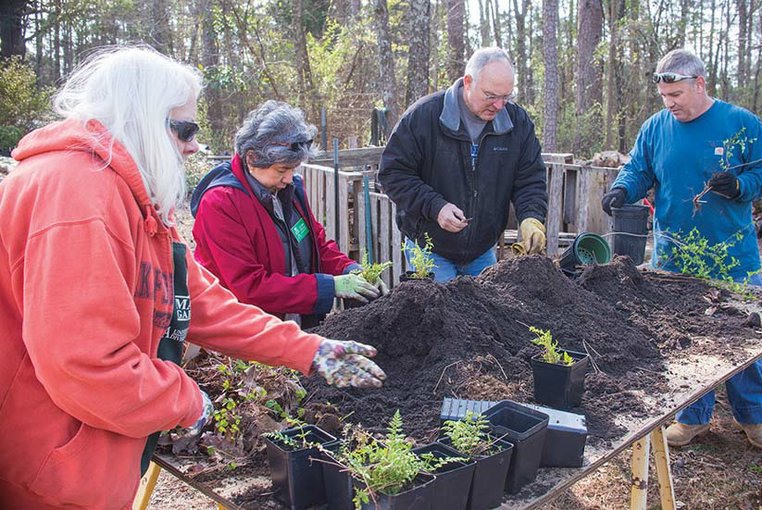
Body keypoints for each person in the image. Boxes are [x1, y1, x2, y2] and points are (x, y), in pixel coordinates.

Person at [0, 46, 385, 509]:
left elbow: (202, 303)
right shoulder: (75, 193)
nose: (194, 146)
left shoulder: (130, 197)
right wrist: (186, 399)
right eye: (184, 129)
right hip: (48, 474)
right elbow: (86, 365)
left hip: (87, 465)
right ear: (138, 117)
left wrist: (310, 349)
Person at [601, 48, 762, 450]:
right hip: (674, 256)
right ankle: (692, 416)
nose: (670, 104)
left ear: (699, 84)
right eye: (664, 97)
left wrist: (741, 186)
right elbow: (638, 169)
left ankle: (754, 418)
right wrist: (622, 188)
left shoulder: (739, 123)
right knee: (685, 341)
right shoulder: (656, 127)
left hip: (731, 256)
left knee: (741, 340)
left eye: (676, 94)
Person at [191, 101, 383, 329]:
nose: (290, 178)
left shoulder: (289, 191)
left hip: (294, 327)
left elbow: (318, 245)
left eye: (294, 169)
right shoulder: (221, 203)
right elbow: (249, 287)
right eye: (282, 170)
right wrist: (330, 286)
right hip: (244, 334)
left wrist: (348, 269)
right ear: (252, 159)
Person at [379, 47, 548, 282]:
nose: (499, 105)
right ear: (468, 82)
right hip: (429, 248)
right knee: (440, 315)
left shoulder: (517, 123)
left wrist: (531, 217)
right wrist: (435, 207)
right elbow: (392, 174)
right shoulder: (424, 117)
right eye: (491, 96)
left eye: (506, 97)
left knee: (484, 315)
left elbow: (530, 178)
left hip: (481, 252)